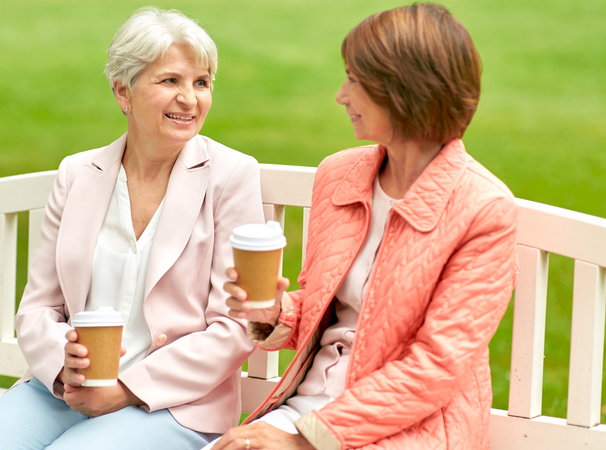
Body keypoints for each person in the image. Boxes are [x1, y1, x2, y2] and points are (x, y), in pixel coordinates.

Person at [0, 7, 263, 450]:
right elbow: (38, 307)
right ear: (123, 91)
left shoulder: (231, 175)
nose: (190, 98)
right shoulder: (79, 173)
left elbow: (236, 325)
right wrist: (67, 364)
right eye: (170, 80)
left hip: (173, 402)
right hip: (69, 390)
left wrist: (127, 388)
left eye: (201, 82)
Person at [209, 4, 517, 450]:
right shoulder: (340, 176)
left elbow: (435, 368)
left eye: (354, 80)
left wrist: (303, 441)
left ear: (404, 90)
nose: (341, 95)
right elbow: (334, 315)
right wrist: (272, 312)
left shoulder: (484, 208)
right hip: (309, 412)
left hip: (408, 431)